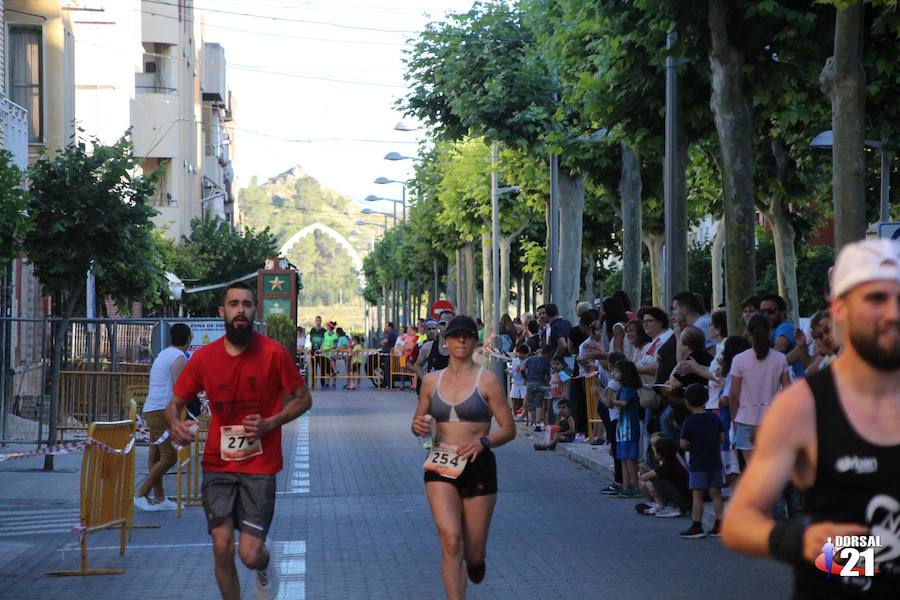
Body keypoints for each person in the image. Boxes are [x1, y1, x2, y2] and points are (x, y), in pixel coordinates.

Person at [722, 238, 900, 598]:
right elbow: (739, 522)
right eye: (876, 299)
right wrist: (799, 539)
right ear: (840, 312)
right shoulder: (802, 407)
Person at [166, 282, 312, 600]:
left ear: (254, 311)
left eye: (247, 304)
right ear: (223, 311)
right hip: (218, 463)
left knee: (248, 553)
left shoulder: (273, 354)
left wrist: (270, 423)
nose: (240, 310)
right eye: (234, 304)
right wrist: (175, 423)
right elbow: (175, 401)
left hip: (260, 466)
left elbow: (303, 399)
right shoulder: (205, 358)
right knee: (221, 547)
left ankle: (263, 563)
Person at [411, 315, 515, 600]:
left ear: (474, 342)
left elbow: (509, 429)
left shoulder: (489, 381)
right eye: (455, 336)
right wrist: (418, 426)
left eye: (466, 337)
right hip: (441, 464)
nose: (460, 341)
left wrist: (484, 441)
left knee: (473, 552)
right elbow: (418, 422)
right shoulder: (431, 382)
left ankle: (477, 560)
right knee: (451, 541)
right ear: (445, 341)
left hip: (478, 466)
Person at [135, 322, 191, 512]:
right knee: (169, 457)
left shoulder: (164, 354)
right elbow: (179, 387)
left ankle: (160, 498)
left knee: (156, 455)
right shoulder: (179, 357)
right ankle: (140, 493)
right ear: (189, 339)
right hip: (163, 411)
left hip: (152, 409)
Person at [729, 313, 790, 465]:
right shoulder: (780, 359)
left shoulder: (739, 360)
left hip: (745, 417)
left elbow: (734, 395)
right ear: (769, 331)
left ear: (748, 332)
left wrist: (734, 420)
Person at [679, 383, 725, 539]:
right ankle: (720, 524)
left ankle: (696, 525)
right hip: (715, 461)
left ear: (687, 401)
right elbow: (722, 437)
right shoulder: (714, 418)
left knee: (697, 495)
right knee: (715, 493)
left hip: (698, 462)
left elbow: (683, 444)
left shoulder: (689, 421)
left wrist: (691, 446)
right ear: (706, 399)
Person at [635, 436, 690, 518]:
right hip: (683, 497)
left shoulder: (668, 466)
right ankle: (664, 504)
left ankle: (672, 506)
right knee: (654, 478)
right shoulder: (672, 462)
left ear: (660, 454)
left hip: (682, 500)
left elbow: (644, 477)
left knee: (654, 479)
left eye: (655, 451)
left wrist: (645, 470)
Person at [612, 358, 642, 498]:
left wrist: (613, 400)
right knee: (624, 458)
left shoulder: (629, 389)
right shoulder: (622, 388)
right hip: (622, 427)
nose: (614, 373)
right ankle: (625, 486)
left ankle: (634, 486)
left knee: (629, 458)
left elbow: (623, 403)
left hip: (629, 428)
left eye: (617, 371)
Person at [760, 293, 804, 378]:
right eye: (762, 312)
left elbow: (779, 349)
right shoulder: (771, 332)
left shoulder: (785, 327)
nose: (765, 315)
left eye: (771, 311)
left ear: (782, 312)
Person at [523, 345, 552, 429]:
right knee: (538, 404)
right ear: (547, 354)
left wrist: (525, 378)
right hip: (540, 383)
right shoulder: (545, 362)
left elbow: (522, 369)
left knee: (531, 404)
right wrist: (546, 384)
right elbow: (548, 375)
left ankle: (534, 422)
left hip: (530, 383)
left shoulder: (530, 359)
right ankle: (538, 423)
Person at [508, 344, 529, 420]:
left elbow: (528, 372)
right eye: (520, 353)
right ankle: (515, 415)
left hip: (524, 383)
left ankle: (524, 415)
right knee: (514, 398)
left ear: (527, 354)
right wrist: (509, 372)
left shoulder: (528, 361)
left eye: (523, 353)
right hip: (515, 382)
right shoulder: (514, 360)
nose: (521, 355)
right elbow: (512, 371)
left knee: (525, 399)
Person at [309, 316, 326, 387]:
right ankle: (313, 383)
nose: (318, 322)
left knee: (322, 367)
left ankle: (323, 383)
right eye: (317, 320)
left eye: (319, 320)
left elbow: (325, 340)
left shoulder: (324, 330)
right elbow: (310, 339)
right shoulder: (312, 330)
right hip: (313, 351)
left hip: (321, 351)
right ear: (315, 321)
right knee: (314, 368)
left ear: (321, 321)